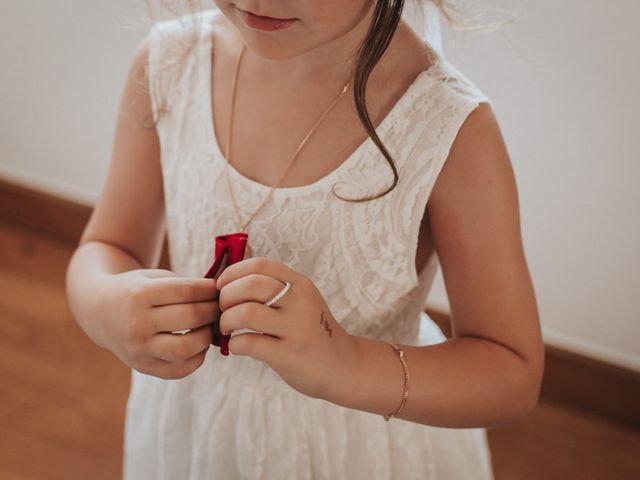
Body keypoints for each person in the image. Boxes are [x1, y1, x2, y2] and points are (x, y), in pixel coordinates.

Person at [65, 1, 545, 478]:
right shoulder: (170, 63)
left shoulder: (447, 126)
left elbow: (511, 372)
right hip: (194, 426)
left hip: (357, 446)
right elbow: (108, 245)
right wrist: (105, 304)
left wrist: (348, 364)